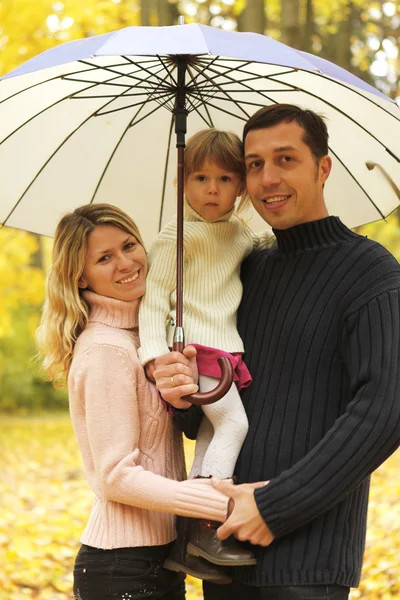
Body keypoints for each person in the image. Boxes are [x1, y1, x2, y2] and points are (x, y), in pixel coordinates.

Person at [154, 104, 400, 600]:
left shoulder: (371, 272)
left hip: (306, 561)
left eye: (286, 159)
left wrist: (276, 506)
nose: (268, 178)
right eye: (255, 164)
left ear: (322, 167)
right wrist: (180, 393)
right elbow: (219, 402)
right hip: (220, 550)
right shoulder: (245, 270)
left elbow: (385, 408)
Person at [35, 203, 237, 600]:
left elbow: (162, 441)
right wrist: (209, 503)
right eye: (104, 258)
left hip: (155, 558)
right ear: (80, 276)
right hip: (121, 568)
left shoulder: (143, 342)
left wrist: (183, 401)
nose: (126, 262)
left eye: (129, 245)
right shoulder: (106, 349)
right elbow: (115, 475)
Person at [138, 129, 274, 569]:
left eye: (224, 179)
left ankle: (187, 538)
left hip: (228, 353)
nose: (212, 189)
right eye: (199, 178)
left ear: (240, 186)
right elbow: (153, 303)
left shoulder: (238, 233)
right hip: (196, 352)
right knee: (234, 426)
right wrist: (157, 356)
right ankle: (210, 524)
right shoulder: (176, 237)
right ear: (182, 182)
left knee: (212, 438)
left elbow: (264, 246)